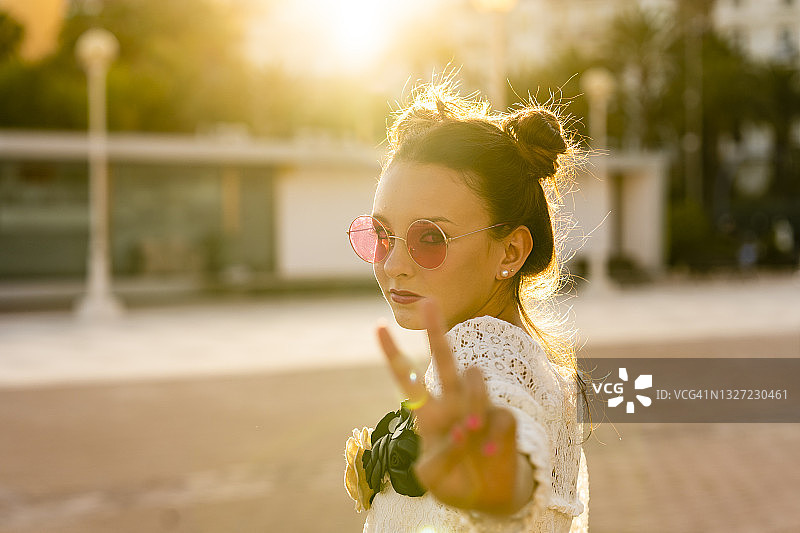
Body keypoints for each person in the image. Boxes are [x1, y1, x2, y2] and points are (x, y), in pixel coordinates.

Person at [343, 81, 590, 532]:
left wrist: (501, 483)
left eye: (430, 238)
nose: (393, 264)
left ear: (510, 251)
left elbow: (511, 427)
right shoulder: (517, 359)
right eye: (381, 234)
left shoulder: (488, 358)